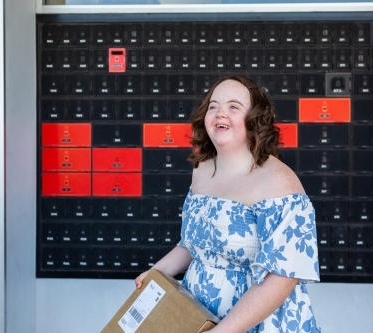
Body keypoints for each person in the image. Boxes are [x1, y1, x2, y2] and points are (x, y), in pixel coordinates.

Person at [135, 75, 321, 333]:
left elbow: (283, 277)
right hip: (198, 316)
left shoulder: (280, 182)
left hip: (257, 324)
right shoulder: (201, 170)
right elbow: (192, 245)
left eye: (234, 107)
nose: (221, 113)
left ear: (254, 119)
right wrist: (156, 273)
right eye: (214, 106)